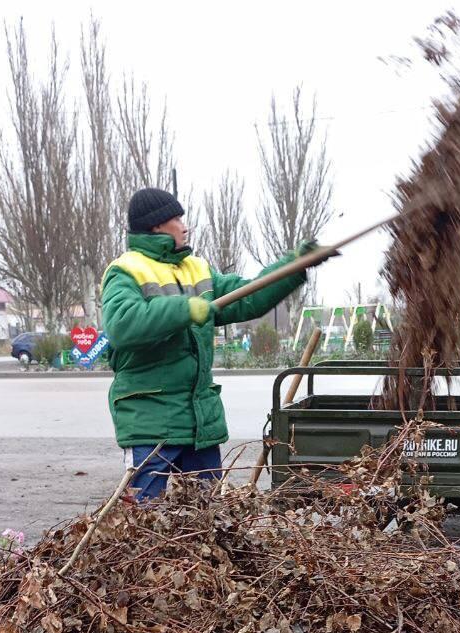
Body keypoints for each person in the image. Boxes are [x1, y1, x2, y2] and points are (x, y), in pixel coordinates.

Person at [101, 186, 314, 501]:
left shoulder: (196, 269)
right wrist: (184, 309)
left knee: (207, 516)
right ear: (156, 226)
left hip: (200, 422)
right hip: (150, 421)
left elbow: (247, 296)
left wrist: (292, 266)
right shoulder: (126, 271)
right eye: (177, 219)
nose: (184, 226)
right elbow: (123, 324)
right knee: (142, 516)